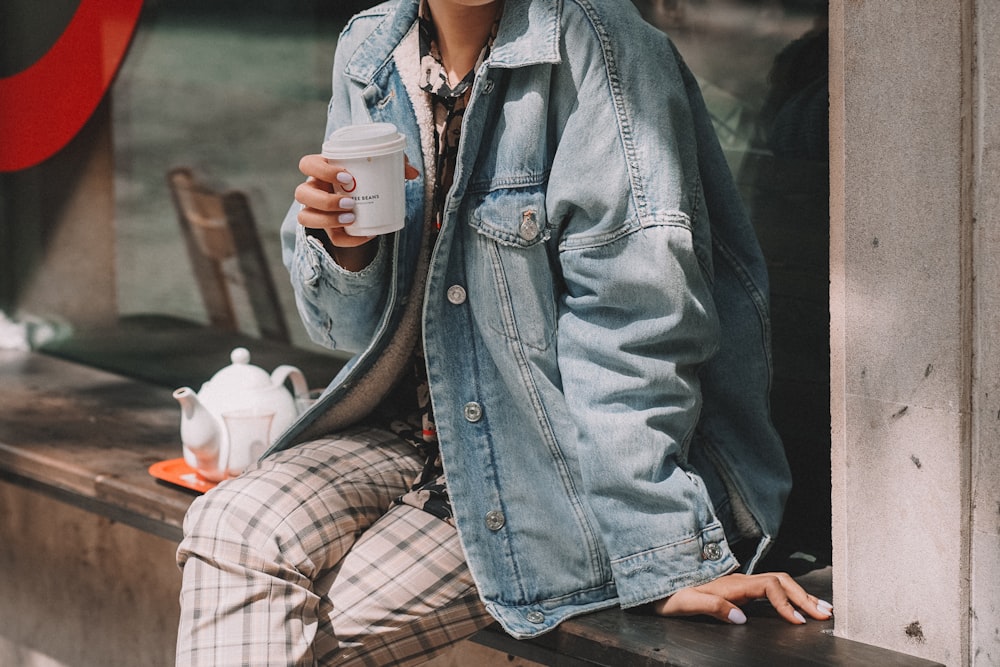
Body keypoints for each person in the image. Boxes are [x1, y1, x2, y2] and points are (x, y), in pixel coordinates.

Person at [175, 0, 833, 664]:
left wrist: (662, 549)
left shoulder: (604, 54)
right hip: (414, 431)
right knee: (228, 523)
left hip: (552, 468)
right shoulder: (373, 49)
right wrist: (345, 252)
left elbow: (635, 331)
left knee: (279, 630)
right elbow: (344, 331)